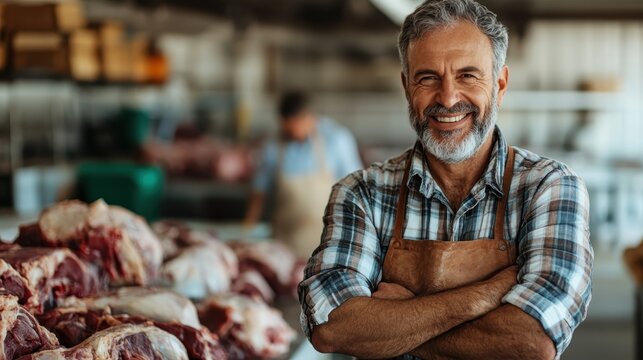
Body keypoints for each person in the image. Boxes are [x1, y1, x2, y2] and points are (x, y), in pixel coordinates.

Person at [298, 1, 593, 359]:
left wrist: (393, 323)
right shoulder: (361, 193)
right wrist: (486, 295)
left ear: (499, 84)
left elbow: (531, 342)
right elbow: (334, 328)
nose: (448, 98)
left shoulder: (549, 188)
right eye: (428, 78)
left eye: (468, 75)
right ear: (407, 87)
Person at [244, 91, 363, 258]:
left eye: (295, 126)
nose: (291, 133)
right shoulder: (273, 146)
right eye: (286, 127)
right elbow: (258, 192)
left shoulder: (337, 140)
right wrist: (247, 232)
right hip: (286, 246)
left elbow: (357, 188)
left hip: (329, 244)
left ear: (309, 117)